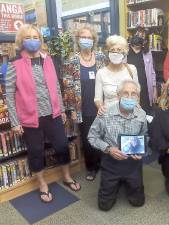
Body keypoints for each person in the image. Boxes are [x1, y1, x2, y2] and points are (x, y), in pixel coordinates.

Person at [5, 24, 81, 203]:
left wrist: (61, 109)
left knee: (62, 146)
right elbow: (9, 94)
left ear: (40, 40)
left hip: (53, 114)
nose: (33, 41)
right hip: (30, 118)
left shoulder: (48, 60)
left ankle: (67, 176)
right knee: (36, 151)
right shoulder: (14, 65)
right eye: (28, 37)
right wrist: (15, 122)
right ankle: (42, 184)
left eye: (35, 37)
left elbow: (55, 86)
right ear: (21, 41)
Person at [88, 80, 147, 211]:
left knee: (138, 202)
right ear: (118, 95)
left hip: (132, 163)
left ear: (138, 97)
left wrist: (141, 151)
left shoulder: (141, 114)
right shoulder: (105, 113)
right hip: (111, 163)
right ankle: (117, 182)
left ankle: (126, 182)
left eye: (134, 94)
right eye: (125, 93)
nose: (130, 97)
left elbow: (145, 136)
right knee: (104, 206)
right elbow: (92, 136)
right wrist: (108, 149)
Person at [62, 24, 107, 181]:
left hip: (101, 105)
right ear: (78, 39)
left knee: (103, 136)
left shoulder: (102, 57)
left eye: (89, 37)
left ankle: (104, 163)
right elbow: (67, 87)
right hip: (83, 107)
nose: (86, 40)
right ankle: (92, 167)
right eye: (83, 37)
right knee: (89, 139)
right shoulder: (71, 60)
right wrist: (71, 109)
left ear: (94, 40)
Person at [94, 35, 139, 115]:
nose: (115, 53)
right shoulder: (101, 73)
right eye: (112, 50)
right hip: (108, 116)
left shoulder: (132, 69)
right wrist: (100, 107)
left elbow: (137, 93)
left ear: (124, 53)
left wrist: (137, 106)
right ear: (108, 52)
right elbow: (98, 98)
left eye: (119, 50)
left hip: (129, 114)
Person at [127, 26, 157, 114]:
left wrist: (154, 90)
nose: (139, 37)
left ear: (145, 41)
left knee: (145, 114)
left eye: (142, 36)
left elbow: (152, 72)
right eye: (137, 34)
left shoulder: (147, 53)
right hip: (129, 89)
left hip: (145, 89)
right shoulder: (125, 51)